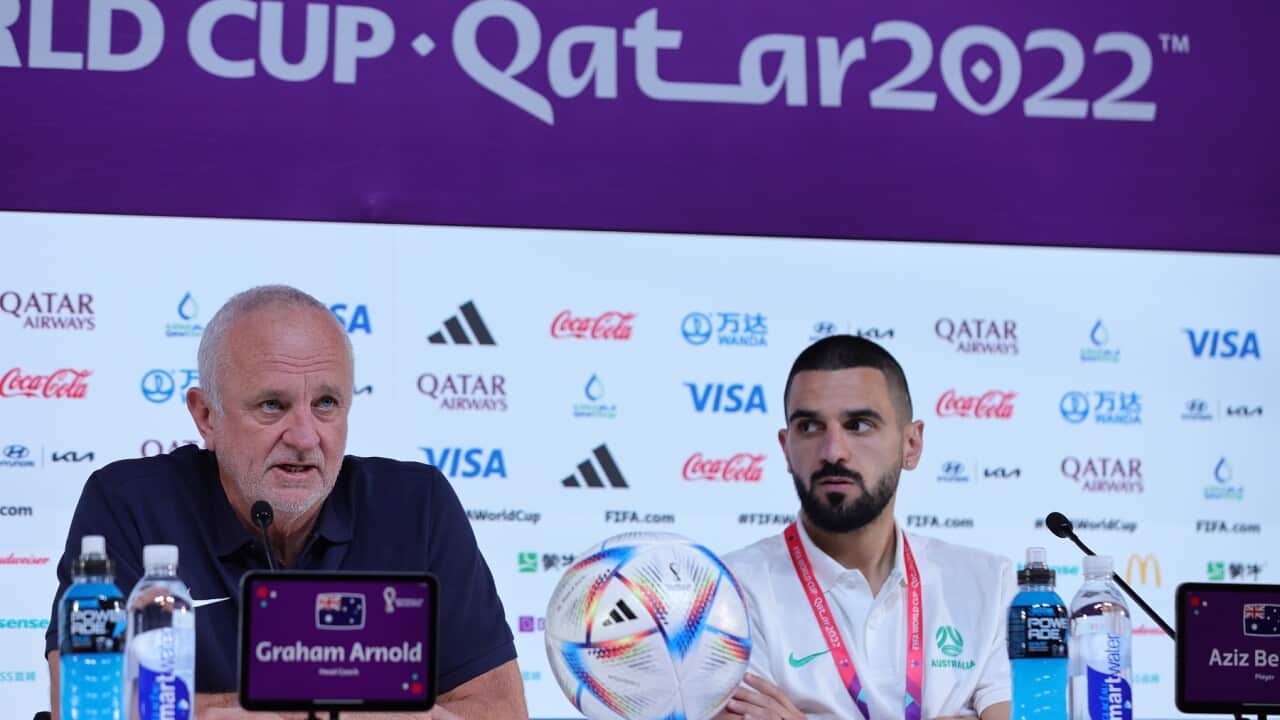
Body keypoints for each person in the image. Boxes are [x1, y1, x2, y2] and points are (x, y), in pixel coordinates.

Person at [45, 285, 527, 720]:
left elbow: (498, 712)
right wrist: (358, 705)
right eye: (272, 405)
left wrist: (242, 709)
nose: (303, 436)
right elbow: (89, 706)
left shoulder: (417, 506)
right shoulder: (130, 506)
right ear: (206, 415)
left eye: (326, 404)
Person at [718, 335, 1014, 720]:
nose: (833, 451)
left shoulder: (990, 584)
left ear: (911, 444)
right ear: (786, 447)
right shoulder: (726, 593)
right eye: (809, 427)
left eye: (858, 425)